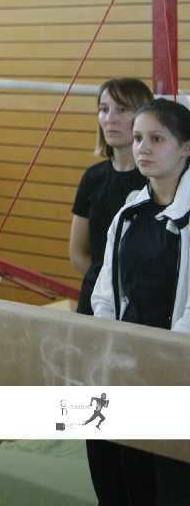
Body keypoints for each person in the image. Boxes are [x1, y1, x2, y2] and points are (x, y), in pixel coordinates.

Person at [90, 97, 190, 504]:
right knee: (115, 474)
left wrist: (162, 360)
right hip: (127, 364)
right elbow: (105, 292)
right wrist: (110, 348)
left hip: (174, 368)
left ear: (186, 148)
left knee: (168, 486)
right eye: (137, 139)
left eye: (157, 139)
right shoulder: (129, 212)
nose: (142, 148)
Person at [69, 77, 151, 315]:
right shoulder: (93, 178)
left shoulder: (156, 180)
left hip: (142, 305)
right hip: (96, 299)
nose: (110, 119)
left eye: (122, 109)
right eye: (104, 109)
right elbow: (77, 254)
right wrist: (107, 289)